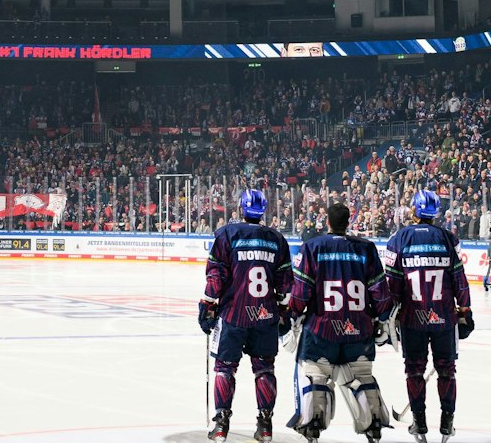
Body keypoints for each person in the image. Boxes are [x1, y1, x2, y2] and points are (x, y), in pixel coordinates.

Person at [283, 202, 392, 443]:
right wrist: (383, 319)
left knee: (314, 374)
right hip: (359, 328)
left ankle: (312, 424)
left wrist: (292, 314)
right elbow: (380, 291)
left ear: (328, 222)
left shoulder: (313, 247)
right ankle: (373, 422)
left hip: (322, 329)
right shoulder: (366, 248)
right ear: (348, 222)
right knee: (362, 375)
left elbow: (301, 292)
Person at [198, 189, 291, 443]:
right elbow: (285, 284)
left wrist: (207, 304)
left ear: (241, 208)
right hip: (265, 314)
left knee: (225, 368)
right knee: (264, 368)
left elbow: (216, 276)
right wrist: (283, 311)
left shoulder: (227, 234)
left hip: (233, 315)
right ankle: (265, 426)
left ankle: (220, 425)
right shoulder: (277, 239)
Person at [383, 191, 471, 443]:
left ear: (414, 211)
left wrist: (388, 317)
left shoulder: (399, 238)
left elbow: (393, 284)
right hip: (444, 317)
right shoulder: (448, 239)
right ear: (436, 214)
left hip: (412, 319)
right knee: (447, 372)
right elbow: (459, 281)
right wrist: (465, 312)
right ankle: (447, 422)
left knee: (414, 371)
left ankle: (418, 422)